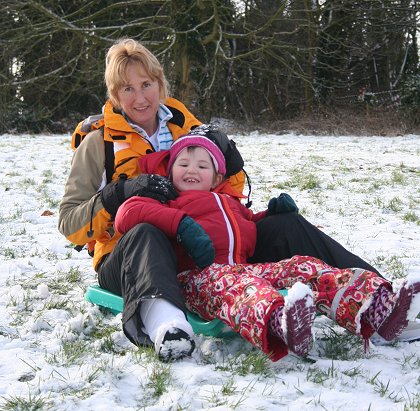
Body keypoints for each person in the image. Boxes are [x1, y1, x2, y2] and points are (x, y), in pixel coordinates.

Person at [58, 37, 399, 363]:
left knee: (285, 224)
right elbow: (69, 223)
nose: (139, 97)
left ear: (160, 84)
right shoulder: (99, 143)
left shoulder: (188, 128)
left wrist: (235, 177)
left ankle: (380, 300)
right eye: (127, 89)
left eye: (145, 84)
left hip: (203, 250)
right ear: (114, 95)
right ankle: (167, 324)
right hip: (131, 255)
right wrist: (116, 196)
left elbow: (224, 198)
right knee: (146, 232)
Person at [114, 134, 420, 361]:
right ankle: (280, 323)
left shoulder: (230, 204)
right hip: (198, 280)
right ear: (171, 172)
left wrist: (272, 214)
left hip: (243, 269)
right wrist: (179, 222)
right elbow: (127, 213)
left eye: (201, 165)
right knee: (240, 286)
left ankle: (376, 309)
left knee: (302, 266)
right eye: (183, 163)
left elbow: (250, 226)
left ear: (217, 177)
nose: (191, 170)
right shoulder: (168, 200)